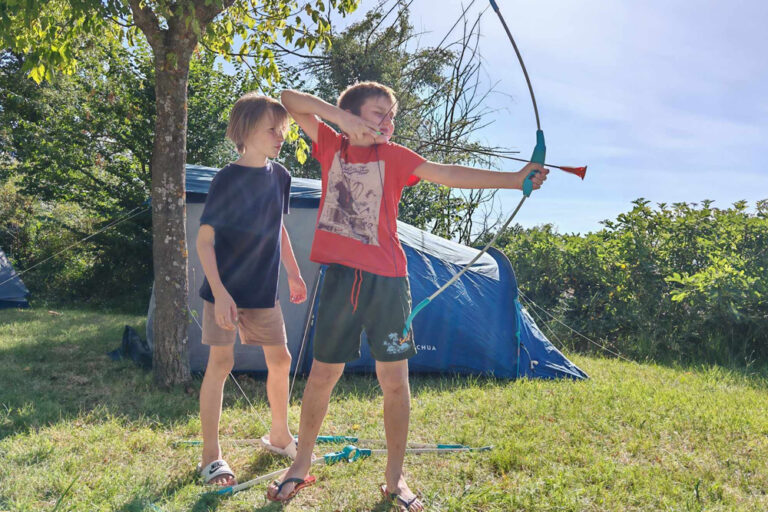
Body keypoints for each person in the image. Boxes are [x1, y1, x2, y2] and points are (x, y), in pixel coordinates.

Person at [267, 82, 547, 508]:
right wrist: (339, 120)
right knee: (323, 376)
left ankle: (394, 479)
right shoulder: (330, 144)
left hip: (389, 284)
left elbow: (447, 173)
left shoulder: (394, 157)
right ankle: (300, 465)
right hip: (342, 279)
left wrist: (513, 179)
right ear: (354, 115)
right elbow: (289, 99)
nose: (389, 122)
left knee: (394, 382)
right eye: (380, 113)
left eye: (391, 115)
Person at [195, 93, 307, 486]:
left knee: (281, 359)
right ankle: (211, 457)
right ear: (245, 131)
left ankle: (279, 435)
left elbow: (278, 227)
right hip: (224, 291)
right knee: (221, 364)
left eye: (283, 130)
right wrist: (221, 292)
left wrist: (293, 273)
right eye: (272, 130)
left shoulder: (282, 177)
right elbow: (204, 240)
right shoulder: (225, 179)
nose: (280, 136)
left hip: (263, 291)